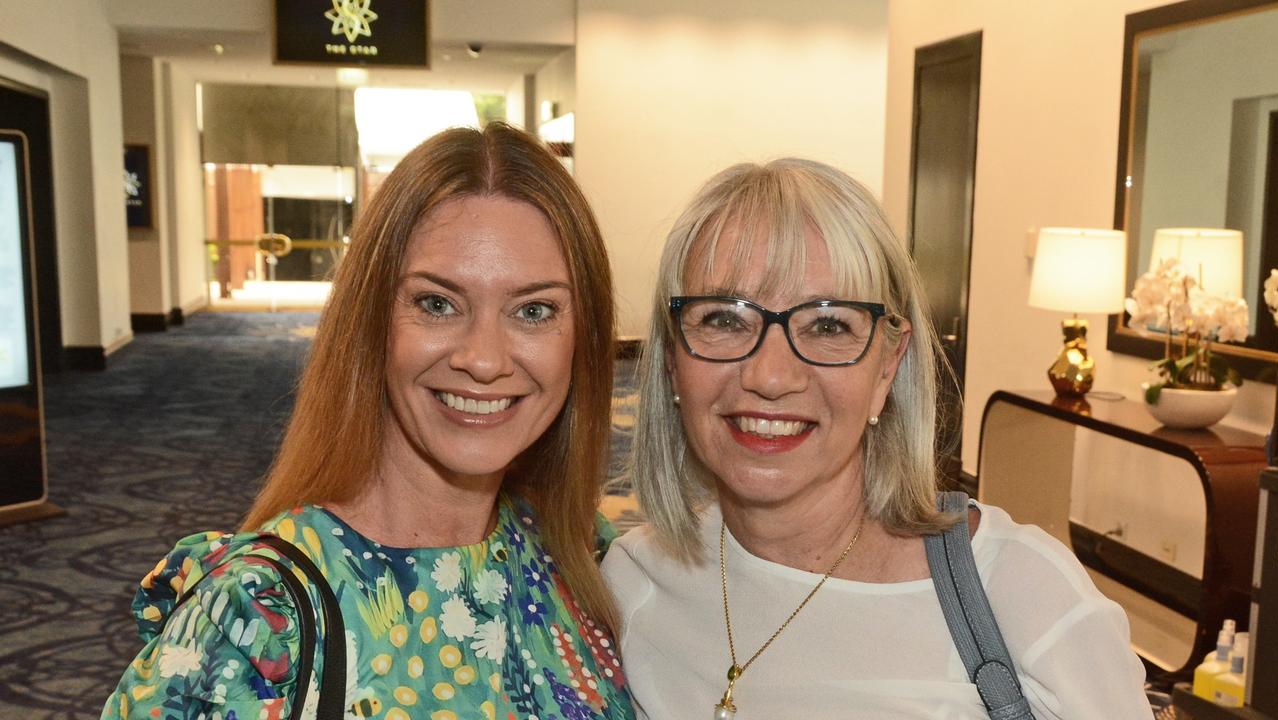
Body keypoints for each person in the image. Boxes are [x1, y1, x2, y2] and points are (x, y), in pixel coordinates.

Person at [102, 123, 635, 720]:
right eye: (437, 303)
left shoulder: (577, 550)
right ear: (370, 322)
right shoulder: (257, 622)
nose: (483, 359)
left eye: (534, 310)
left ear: (581, 341)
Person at [602, 159, 1153, 718]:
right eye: (724, 320)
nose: (769, 377)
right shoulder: (631, 583)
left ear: (887, 366)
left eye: (827, 326)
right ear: (672, 358)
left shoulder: (1024, 595)